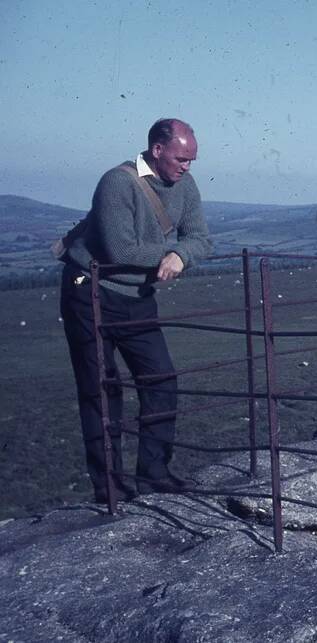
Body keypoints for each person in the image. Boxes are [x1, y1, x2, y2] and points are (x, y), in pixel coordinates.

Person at [60, 118, 211, 503]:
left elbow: (200, 238)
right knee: (101, 389)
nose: (186, 167)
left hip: (136, 296)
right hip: (91, 293)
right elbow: (120, 251)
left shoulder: (184, 185)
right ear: (157, 150)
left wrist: (182, 252)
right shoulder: (117, 182)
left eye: (192, 160)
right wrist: (171, 254)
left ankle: (154, 475)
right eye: (181, 158)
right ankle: (108, 484)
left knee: (161, 380)